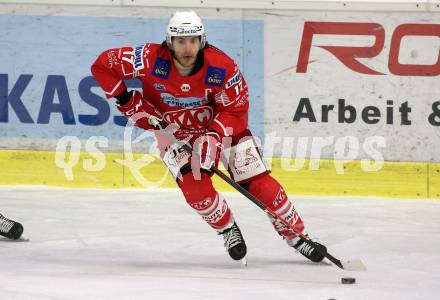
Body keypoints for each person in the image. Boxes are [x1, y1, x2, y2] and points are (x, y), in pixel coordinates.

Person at [91, 11, 326, 262]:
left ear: (202, 40)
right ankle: (227, 229)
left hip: (222, 130)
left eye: (193, 40)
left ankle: (298, 236)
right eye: (181, 41)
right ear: (169, 42)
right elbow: (103, 64)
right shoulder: (148, 59)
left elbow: (237, 108)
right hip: (175, 134)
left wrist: (214, 135)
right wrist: (125, 98)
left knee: (262, 186)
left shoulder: (221, 66)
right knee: (196, 190)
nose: (187, 48)